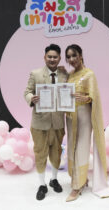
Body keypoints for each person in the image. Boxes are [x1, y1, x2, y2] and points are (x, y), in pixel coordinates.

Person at [65, 44, 109, 202]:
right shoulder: (70, 75)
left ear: (81, 55)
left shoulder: (89, 74)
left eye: (74, 55)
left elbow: (94, 96)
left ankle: (77, 187)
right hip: (70, 116)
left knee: (81, 148)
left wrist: (86, 98)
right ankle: (81, 179)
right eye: (69, 56)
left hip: (84, 115)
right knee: (71, 147)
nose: (71, 59)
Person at [24, 44, 68, 200]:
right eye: (49, 56)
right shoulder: (35, 74)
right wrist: (31, 98)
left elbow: (67, 91)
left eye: (55, 57)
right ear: (44, 57)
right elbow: (27, 92)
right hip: (39, 122)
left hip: (58, 122)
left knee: (56, 153)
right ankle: (42, 184)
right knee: (40, 153)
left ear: (59, 58)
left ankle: (54, 180)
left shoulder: (64, 74)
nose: (52, 59)